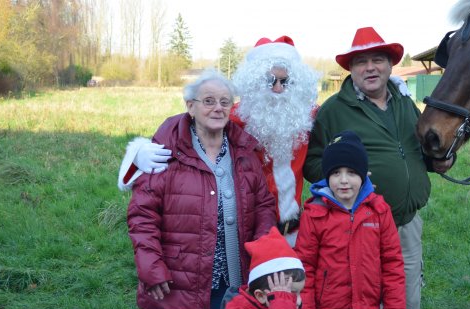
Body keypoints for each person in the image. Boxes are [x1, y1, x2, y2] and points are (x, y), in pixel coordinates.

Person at [302, 27, 454, 309]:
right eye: (361, 62)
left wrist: (439, 161)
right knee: (348, 302)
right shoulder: (334, 110)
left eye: (378, 60)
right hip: (353, 225)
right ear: (351, 70)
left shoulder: (405, 103)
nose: (370, 68)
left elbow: (421, 150)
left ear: (389, 66)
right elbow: (313, 163)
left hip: (404, 221)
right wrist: (345, 178)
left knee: (407, 299)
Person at [126, 69, 276, 309]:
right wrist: (151, 268)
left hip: (231, 285)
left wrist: (261, 259)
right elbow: (142, 215)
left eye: (224, 102)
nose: (217, 108)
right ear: (190, 106)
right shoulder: (164, 153)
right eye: (208, 101)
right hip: (178, 282)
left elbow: (264, 207)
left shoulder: (244, 152)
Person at [119, 35, 320, 247]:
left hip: (295, 233)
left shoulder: (305, 119)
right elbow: (188, 126)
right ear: (254, 83)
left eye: (285, 81)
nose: (278, 89)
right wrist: (138, 153)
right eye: (270, 81)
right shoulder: (233, 118)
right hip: (249, 233)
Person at [296, 130, 406, 309]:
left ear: (364, 175)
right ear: (327, 177)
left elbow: (393, 262)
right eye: (336, 173)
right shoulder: (315, 214)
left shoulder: (378, 211)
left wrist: (394, 306)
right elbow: (305, 267)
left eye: (351, 173)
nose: (343, 180)